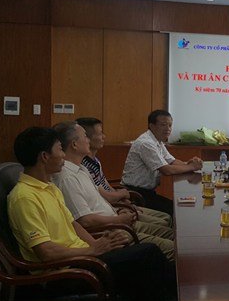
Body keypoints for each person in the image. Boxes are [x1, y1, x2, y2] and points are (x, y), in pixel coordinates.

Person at [7, 127, 179, 301]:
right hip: (64, 273)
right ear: (44, 156)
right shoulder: (24, 198)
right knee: (148, 255)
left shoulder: (48, 187)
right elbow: (46, 253)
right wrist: (93, 250)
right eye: (59, 150)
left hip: (85, 259)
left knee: (147, 260)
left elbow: (73, 225)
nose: (63, 155)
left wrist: (101, 243)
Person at [52, 121, 175, 261]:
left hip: (118, 220)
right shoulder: (67, 178)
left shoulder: (81, 169)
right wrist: (118, 219)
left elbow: (100, 198)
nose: (88, 140)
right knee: (175, 249)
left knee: (174, 235)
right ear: (74, 144)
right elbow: (85, 221)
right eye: (85, 136)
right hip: (111, 232)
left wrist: (119, 210)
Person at [76, 117, 172, 227]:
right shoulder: (84, 166)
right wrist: (123, 196)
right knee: (165, 221)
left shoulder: (95, 161)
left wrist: (123, 199)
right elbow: (104, 196)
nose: (104, 137)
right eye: (100, 133)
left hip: (117, 203)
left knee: (167, 218)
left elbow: (107, 186)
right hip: (112, 209)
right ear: (87, 138)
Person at [121, 110, 203, 214]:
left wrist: (189, 163)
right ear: (152, 126)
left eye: (170, 125)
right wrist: (191, 167)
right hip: (135, 195)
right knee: (176, 210)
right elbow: (166, 170)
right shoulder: (146, 143)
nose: (168, 128)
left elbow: (171, 161)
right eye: (163, 125)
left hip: (146, 193)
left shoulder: (157, 141)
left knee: (178, 207)